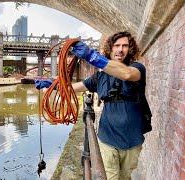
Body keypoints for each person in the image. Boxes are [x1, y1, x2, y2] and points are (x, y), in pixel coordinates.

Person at [35, 31, 147, 180]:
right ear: (110, 49)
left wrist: (92, 57)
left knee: (125, 177)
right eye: (117, 45)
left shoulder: (137, 68)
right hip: (108, 139)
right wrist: (53, 85)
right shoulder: (99, 77)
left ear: (130, 49)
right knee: (111, 176)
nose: (120, 49)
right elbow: (72, 88)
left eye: (125, 46)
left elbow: (126, 74)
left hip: (133, 141)